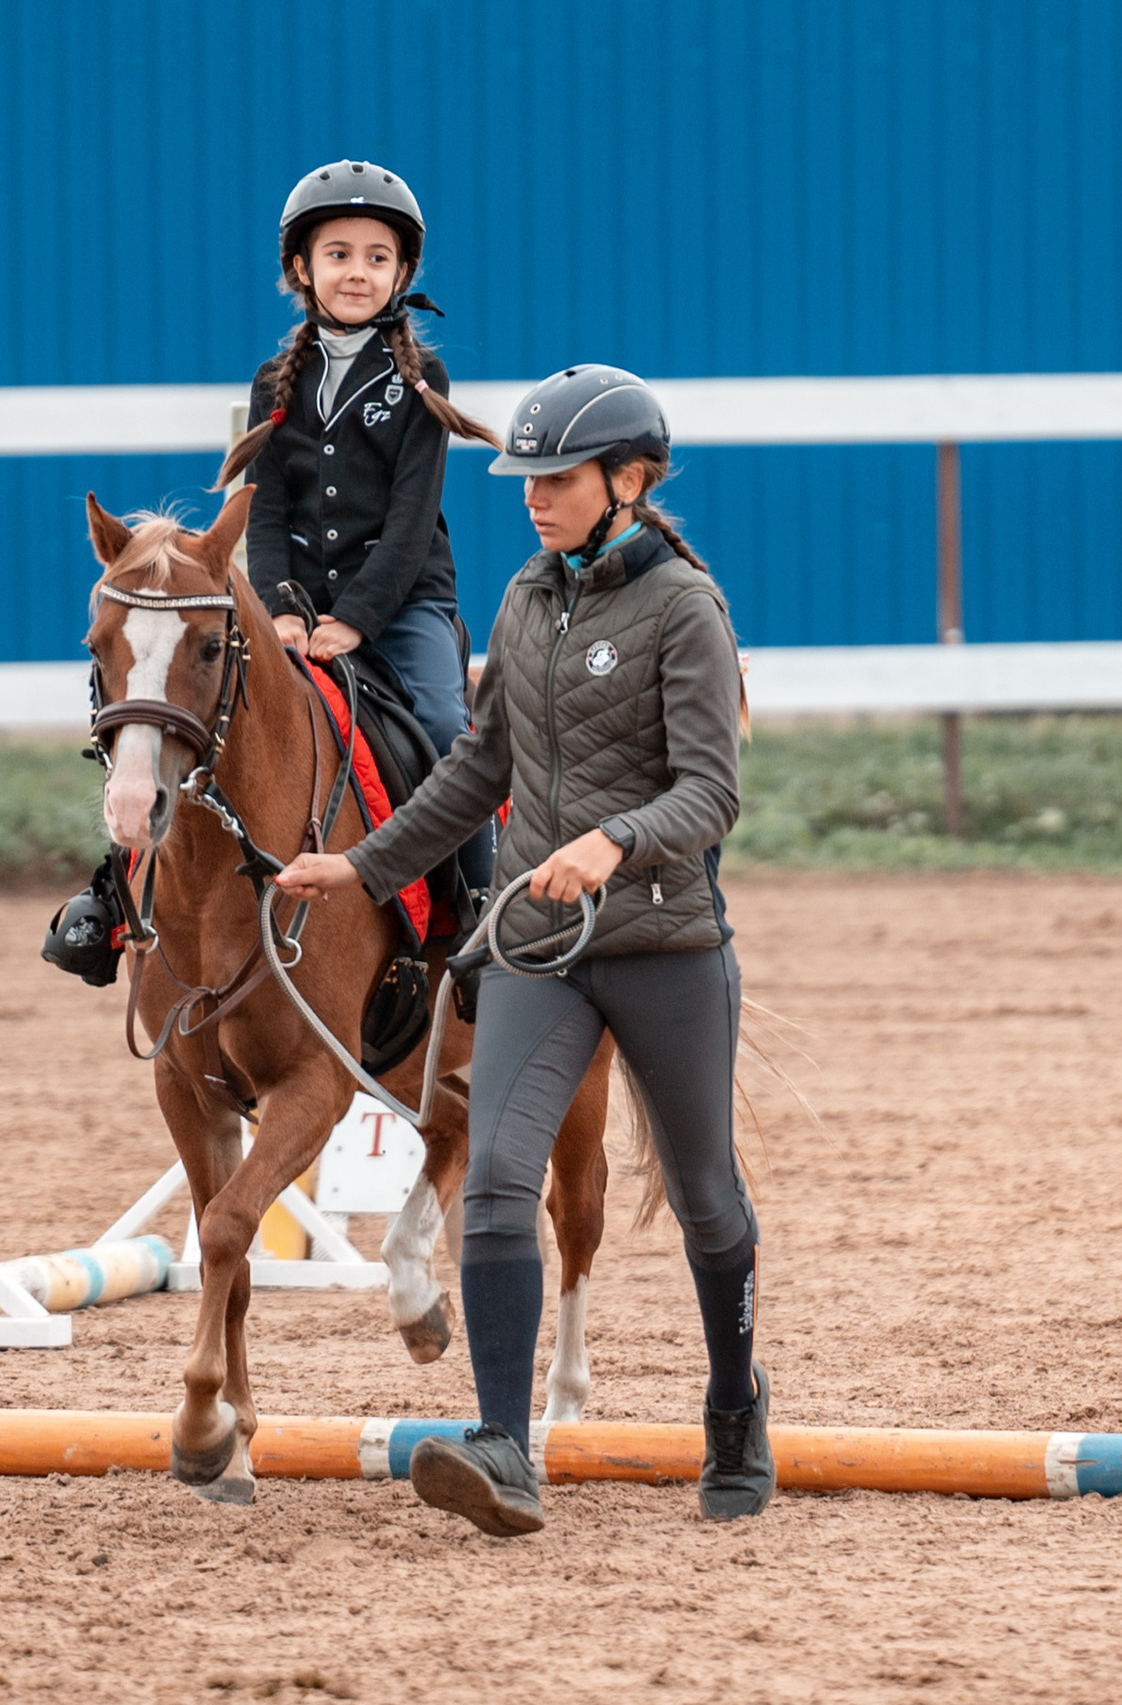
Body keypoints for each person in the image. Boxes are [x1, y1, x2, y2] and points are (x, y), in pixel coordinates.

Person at [273, 366, 770, 1535]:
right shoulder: (525, 599)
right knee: (495, 1179)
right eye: (528, 480)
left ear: (627, 480)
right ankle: (503, 1444)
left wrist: (612, 840)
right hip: (537, 947)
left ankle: (737, 1405)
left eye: (556, 479)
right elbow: (478, 770)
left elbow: (712, 791)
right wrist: (363, 866)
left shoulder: (683, 608)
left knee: (704, 1198)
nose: (534, 498)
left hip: (663, 944)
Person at [218, 159, 500, 886]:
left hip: (404, 605)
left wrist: (359, 619)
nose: (357, 273)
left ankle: (482, 908)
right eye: (338, 255)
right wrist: (279, 607)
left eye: (377, 258)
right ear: (300, 269)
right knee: (205, 716)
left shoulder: (421, 380)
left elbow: (411, 522)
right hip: (297, 605)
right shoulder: (271, 383)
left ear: (401, 272)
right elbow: (268, 508)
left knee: (445, 730)